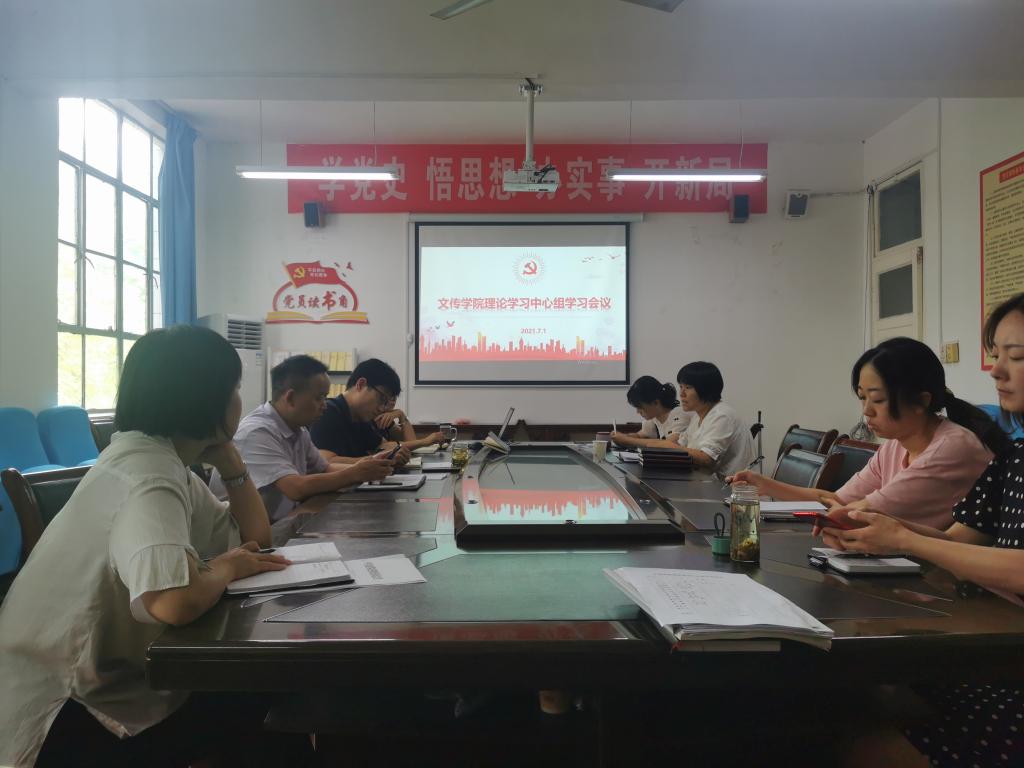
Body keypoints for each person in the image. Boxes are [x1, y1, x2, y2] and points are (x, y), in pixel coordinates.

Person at [0, 326, 311, 768]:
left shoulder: (161, 460)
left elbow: (255, 541)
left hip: (98, 678)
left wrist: (232, 465)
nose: (240, 400)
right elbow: (172, 602)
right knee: (263, 703)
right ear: (207, 400)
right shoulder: (150, 476)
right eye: (235, 388)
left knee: (263, 698)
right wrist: (226, 568)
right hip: (62, 713)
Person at [817, 293, 1024, 767]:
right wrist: (890, 530)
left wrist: (904, 539)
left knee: (856, 733)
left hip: (1007, 659)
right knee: (839, 702)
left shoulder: (958, 445)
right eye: (996, 354)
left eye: (1015, 356)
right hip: (993, 642)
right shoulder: (1015, 456)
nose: (995, 371)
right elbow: (956, 542)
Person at [730, 337, 1002, 529]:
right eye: (863, 398)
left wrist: (836, 515)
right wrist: (765, 484)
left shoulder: (951, 448)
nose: (867, 411)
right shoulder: (895, 445)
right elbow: (837, 501)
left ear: (921, 401)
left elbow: (857, 512)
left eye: (878, 399)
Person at [211, 354, 393, 522]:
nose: (324, 406)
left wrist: (369, 466)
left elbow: (325, 468)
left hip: (280, 522)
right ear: (290, 398)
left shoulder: (298, 430)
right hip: (241, 536)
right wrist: (355, 473)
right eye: (319, 398)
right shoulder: (256, 432)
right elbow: (295, 488)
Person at [309, 358, 444, 462]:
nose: (382, 408)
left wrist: (393, 453)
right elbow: (327, 461)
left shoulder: (361, 417)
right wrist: (379, 459)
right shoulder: (328, 412)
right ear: (361, 384)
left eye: (386, 403)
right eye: (381, 399)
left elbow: (384, 446)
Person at [648, 362, 754, 477]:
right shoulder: (698, 416)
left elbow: (706, 459)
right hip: (707, 482)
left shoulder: (722, 415)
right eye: (681, 387)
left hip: (731, 487)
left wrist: (670, 447)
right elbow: (679, 444)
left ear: (706, 389)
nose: (682, 394)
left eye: (688, 387)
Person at [610, 375, 693, 448]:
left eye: (640, 407)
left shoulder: (679, 414)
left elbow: (671, 444)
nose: (638, 412)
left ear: (656, 402)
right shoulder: (654, 418)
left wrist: (627, 440)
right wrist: (623, 437)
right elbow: (640, 436)